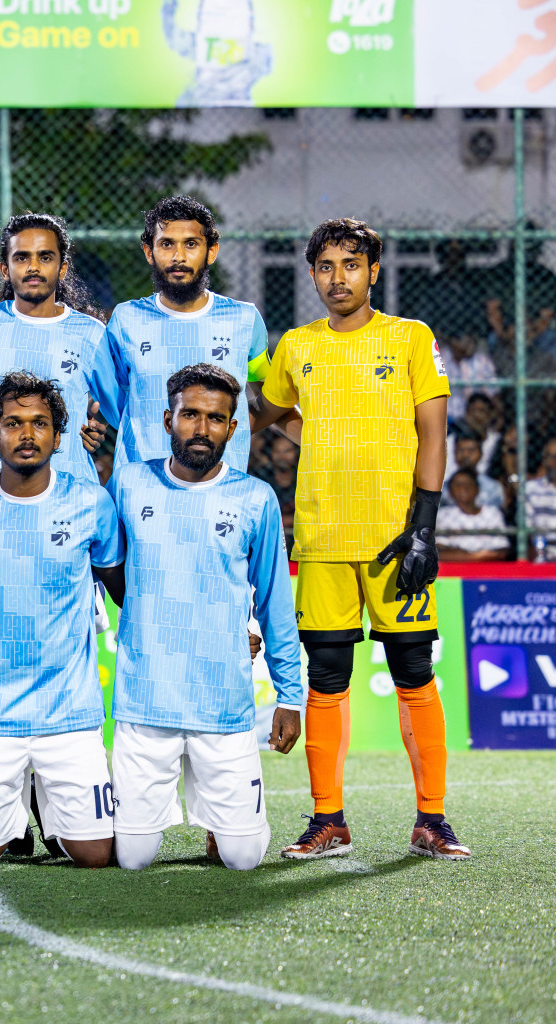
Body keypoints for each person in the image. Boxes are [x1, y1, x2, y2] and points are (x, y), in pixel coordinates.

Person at [252, 218, 467, 861]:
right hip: (320, 541)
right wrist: (316, 437)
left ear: (374, 271)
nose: (337, 277)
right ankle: (328, 821)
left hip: (396, 542)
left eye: (351, 264)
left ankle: (432, 819)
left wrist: (424, 529)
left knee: (412, 670)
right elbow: (272, 409)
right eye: (325, 266)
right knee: (326, 676)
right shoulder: (297, 345)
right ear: (312, 274)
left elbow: (434, 434)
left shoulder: (410, 338)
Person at [100, 363, 303, 871]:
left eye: (216, 418)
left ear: (233, 430)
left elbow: (276, 604)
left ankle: (224, 823)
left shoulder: (254, 499)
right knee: (132, 857)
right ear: (168, 419)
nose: (201, 428)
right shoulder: (128, 485)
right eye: (190, 414)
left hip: (223, 707)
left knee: (243, 858)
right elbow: (105, 567)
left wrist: (290, 696)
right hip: (146, 705)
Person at [0, 372, 122, 870]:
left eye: (40, 423)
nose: (27, 434)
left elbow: (119, 586)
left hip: (70, 716)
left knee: (97, 856)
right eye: (13, 423)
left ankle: (50, 808)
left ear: (58, 436)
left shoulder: (91, 503)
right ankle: (17, 808)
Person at [98, 195, 285, 475]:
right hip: (141, 489)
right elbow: (116, 406)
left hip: (222, 487)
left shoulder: (244, 319)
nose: (179, 257)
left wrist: (230, 424)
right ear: (149, 252)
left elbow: (270, 395)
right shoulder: (125, 320)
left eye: (191, 244)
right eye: (166, 244)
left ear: (211, 251)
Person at [0, 213, 116, 486]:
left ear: (63, 268)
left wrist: (95, 428)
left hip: (72, 491)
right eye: (22, 257)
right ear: (5, 269)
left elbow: (119, 410)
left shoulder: (90, 333)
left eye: (45, 257)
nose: (33, 266)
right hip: (1, 489)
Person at [437, 469, 510, 562]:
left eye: (468, 484)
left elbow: (500, 551)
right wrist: (476, 556)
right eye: (458, 485)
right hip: (454, 567)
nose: (463, 488)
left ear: (477, 489)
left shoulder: (492, 513)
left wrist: (460, 553)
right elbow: (441, 552)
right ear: (450, 492)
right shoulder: (444, 515)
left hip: (488, 567)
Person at [443, 435, 503, 512]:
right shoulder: (444, 488)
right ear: (454, 453)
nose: (465, 455)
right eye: (460, 450)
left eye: (471, 450)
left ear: (481, 454)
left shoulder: (493, 487)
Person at [524, 438, 556, 554]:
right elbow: (527, 528)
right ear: (544, 460)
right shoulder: (530, 489)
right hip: (542, 553)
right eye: (551, 457)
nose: (555, 463)